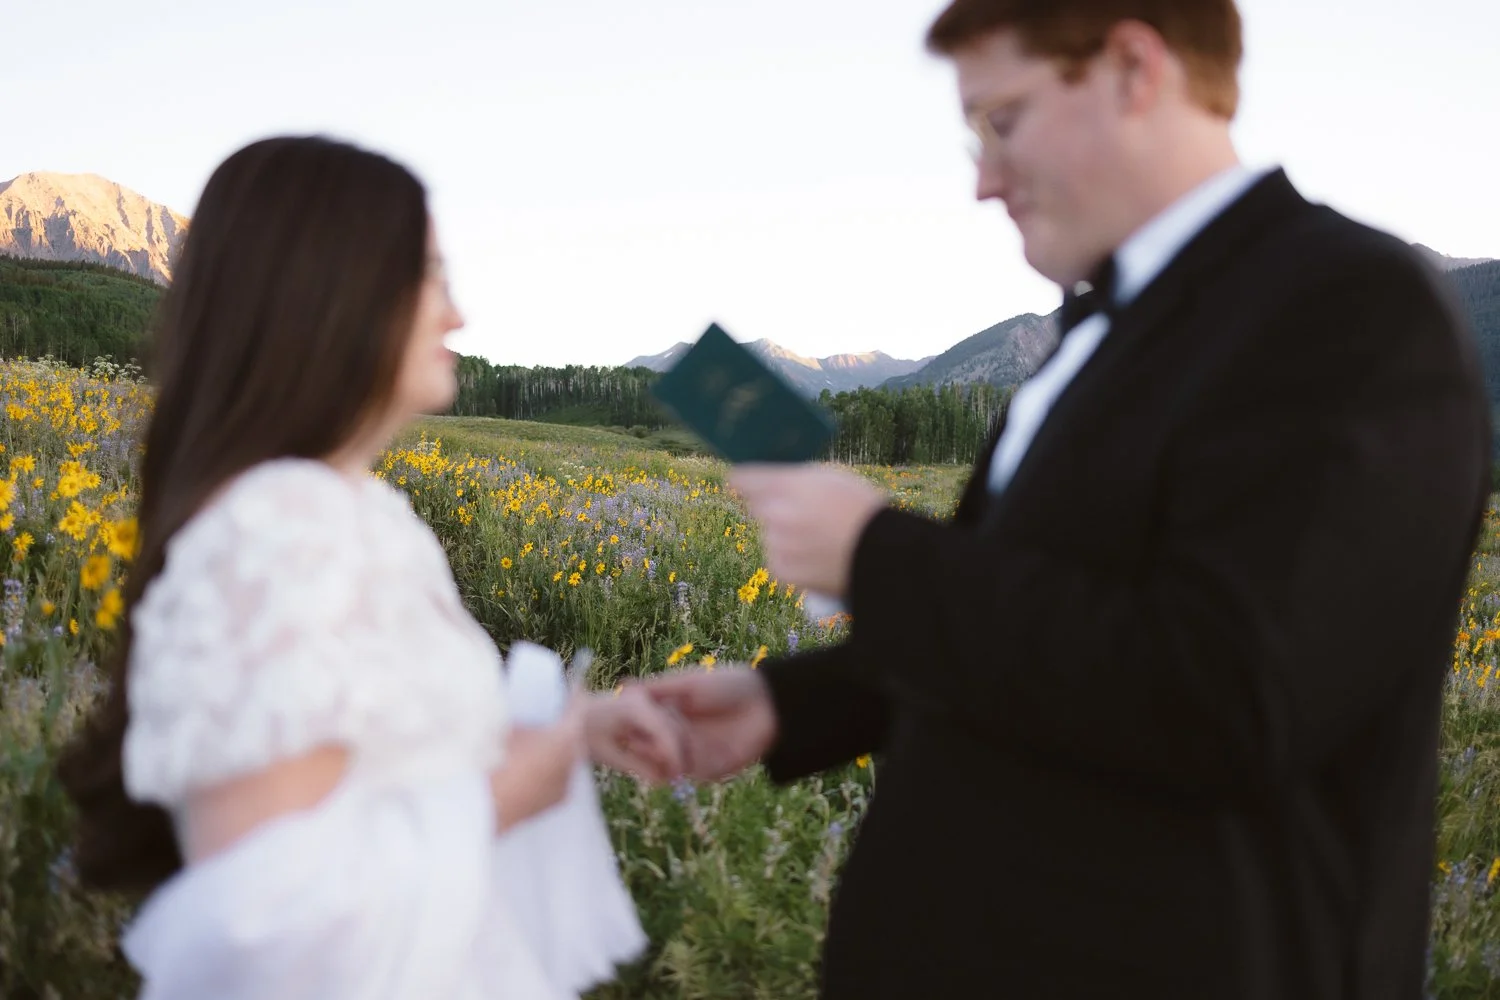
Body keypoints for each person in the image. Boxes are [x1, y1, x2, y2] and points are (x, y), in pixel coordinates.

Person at [632, 1, 1492, 997]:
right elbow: (1041, 630)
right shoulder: (1100, 336)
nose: (984, 180)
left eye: (1003, 120)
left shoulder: (1347, 305)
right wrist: (788, 705)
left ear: (1135, 67)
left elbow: (1229, 695)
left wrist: (876, 556)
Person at [58, 135, 684, 1000]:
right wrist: (506, 794)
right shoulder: (278, 526)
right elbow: (266, 921)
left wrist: (575, 732)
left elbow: (379, 761)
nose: (457, 316)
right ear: (331, 291)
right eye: (429, 275)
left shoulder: (351, 509)